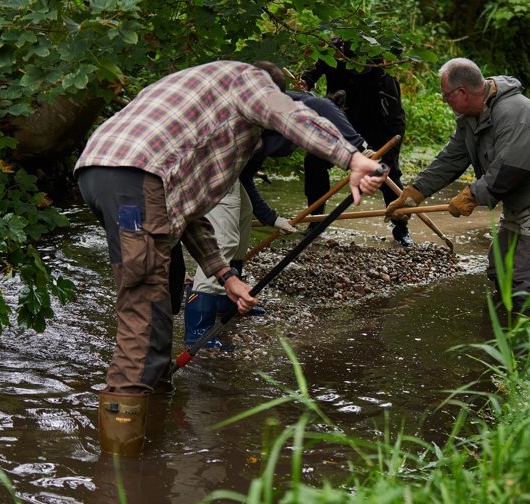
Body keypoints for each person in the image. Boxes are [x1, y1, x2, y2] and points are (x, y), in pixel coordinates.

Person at [74, 60, 387, 457]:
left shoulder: (200, 98)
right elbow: (289, 112)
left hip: (102, 173)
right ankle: (120, 472)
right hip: (134, 177)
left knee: (155, 302)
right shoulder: (249, 80)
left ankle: (151, 421)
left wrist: (225, 276)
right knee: (144, 311)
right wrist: (351, 157)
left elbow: (185, 214)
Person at [385, 57, 530, 322]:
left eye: (446, 96)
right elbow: (452, 158)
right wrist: (416, 192)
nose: (445, 102)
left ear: (462, 92)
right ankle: (501, 335)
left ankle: (525, 351)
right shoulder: (470, 117)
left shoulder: (515, 113)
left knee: (524, 279)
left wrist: (472, 194)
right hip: (517, 196)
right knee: (499, 268)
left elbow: (511, 169)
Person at [183, 84, 372, 349]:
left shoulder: (267, 135)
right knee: (222, 239)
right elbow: (323, 106)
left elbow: (245, 177)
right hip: (209, 162)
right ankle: (198, 330)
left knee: (243, 216)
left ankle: (227, 301)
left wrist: (272, 219)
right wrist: (361, 149)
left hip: (228, 168)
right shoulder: (298, 106)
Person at [298, 38, 414, 247]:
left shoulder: (382, 75)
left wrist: (387, 158)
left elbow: (396, 120)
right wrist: (308, 79)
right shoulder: (336, 51)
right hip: (339, 120)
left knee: (391, 175)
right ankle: (315, 222)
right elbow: (319, 62)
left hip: (374, 126)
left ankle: (401, 228)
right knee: (314, 162)